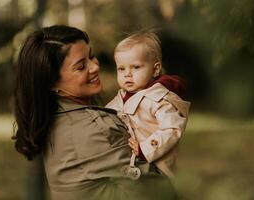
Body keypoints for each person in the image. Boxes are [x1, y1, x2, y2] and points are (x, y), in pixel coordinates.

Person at [12, 25, 177, 200]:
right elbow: (160, 192)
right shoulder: (94, 129)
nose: (95, 66)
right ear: (52, 83)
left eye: (91, 56)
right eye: (81, 66)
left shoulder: (57, 116)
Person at [106, 30, 190, 178]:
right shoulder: (121, 97)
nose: (127, 74)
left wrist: (146, 148)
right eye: (121, 68)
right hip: (131, 163)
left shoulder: (158, 99)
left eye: (136, 67)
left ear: (155, 69)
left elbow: (172, 128)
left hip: (158, 165)